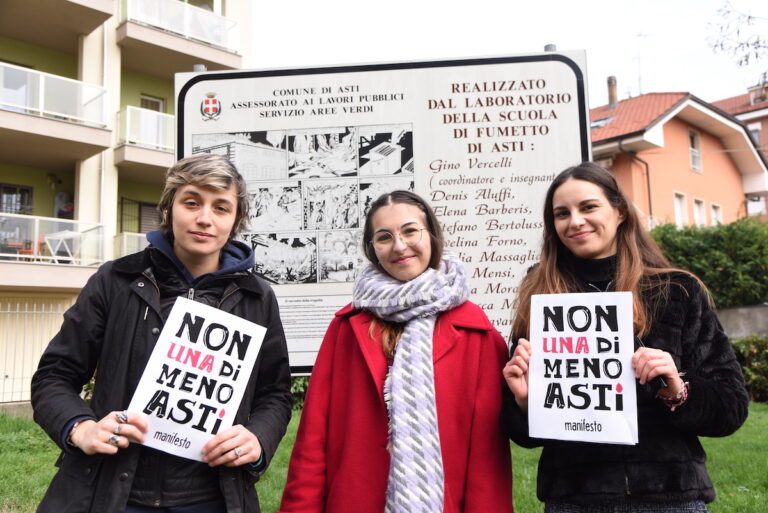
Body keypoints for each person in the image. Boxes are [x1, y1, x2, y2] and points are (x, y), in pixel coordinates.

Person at [31, 154, 293, 513]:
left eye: (221, 208)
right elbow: (54, 376)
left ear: (235, 221)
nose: (204, 218)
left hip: (214, 497)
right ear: (168, 209)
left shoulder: (257, 297)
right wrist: (80, 427)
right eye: (191, 202)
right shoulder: (115, 280)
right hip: (111, 494)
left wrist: (258, 439)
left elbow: (274, 394)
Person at [503, 162, 749, 513]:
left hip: (670, 499)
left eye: (588, 207)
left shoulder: (677, 291)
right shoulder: (541, 298)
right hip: (574, 499)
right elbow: (524, 436)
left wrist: (678, 390)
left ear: (619, 212)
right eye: (562, 213)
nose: (575, 221)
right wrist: (526, 403)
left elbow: (732, 407)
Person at [279, 190, 513, 513]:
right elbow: (312, 439)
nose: (399, 246)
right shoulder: (346, 327)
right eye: (384, 237)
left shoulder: (479, 335)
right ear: (373, 249)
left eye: (410, 231)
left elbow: (488, 460)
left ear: (431, 234)